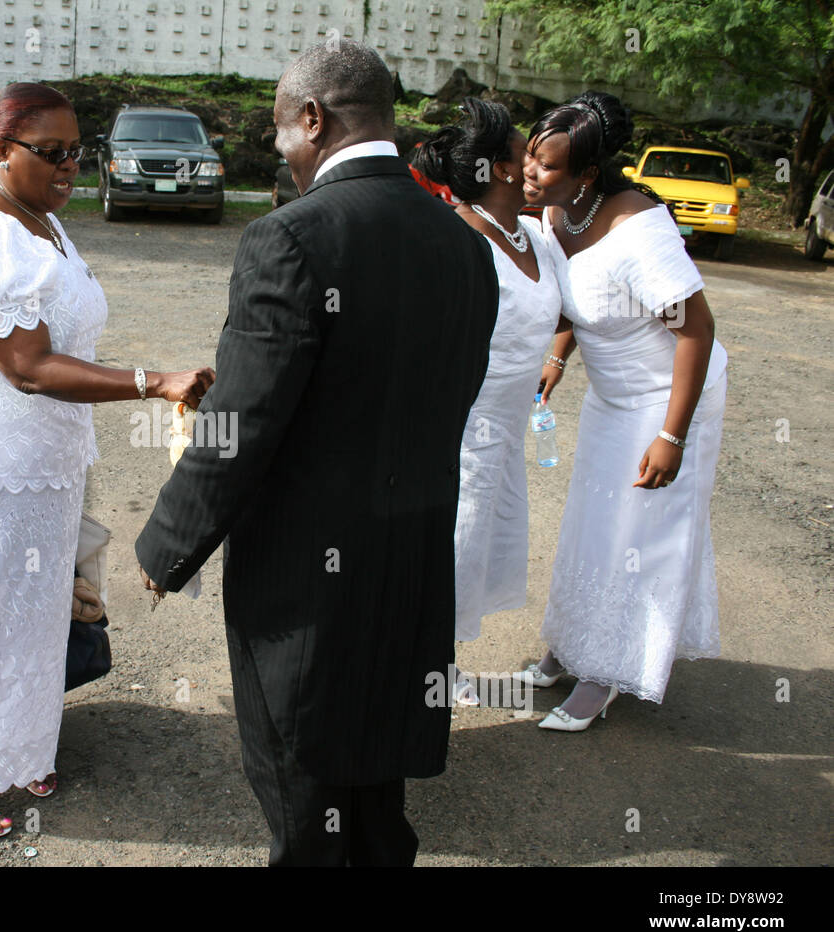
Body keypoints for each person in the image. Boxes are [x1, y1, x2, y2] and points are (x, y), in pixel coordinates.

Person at [135, 41, 499, 865]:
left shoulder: (289, 239)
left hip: (305, 578)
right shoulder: (465, 243)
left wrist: (167, 546)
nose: (278, 150)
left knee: (302, 789)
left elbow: (242, 423)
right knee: (377, 780)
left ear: (314, 119)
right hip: (407, 559)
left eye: (279, 131)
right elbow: (446, 391)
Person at [0, 83, 213, 839]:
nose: (68, 166)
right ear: (1, 152)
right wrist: (152, 382)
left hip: (36, 455)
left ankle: (14, 747)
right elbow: (27, 365)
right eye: (51, 153)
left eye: (76, 153)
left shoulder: (42, 225)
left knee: (31, 610)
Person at [514, 91, 728, 730]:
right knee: (592, 522)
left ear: (586, 175)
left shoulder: (639, 228)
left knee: (637, 532)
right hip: (613, 398)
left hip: (669, 398)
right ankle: (570, 645)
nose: (530, 171)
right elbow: (583, 303)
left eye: (547, 166)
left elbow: (697, 330)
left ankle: (605, 673)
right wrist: (557, 358)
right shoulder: (555, 217)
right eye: (529, 154)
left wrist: (672, 435)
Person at [412, 99, 563, 703]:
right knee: (449, 550)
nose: (533, 162)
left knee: (472, 554)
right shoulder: (460, 240)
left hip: (506, 427)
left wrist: (554, 359)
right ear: (500, 169)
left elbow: (568, 309)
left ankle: (437, 666)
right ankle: (420, 674)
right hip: (462, 429)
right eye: (525, 151)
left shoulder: (530, 233)